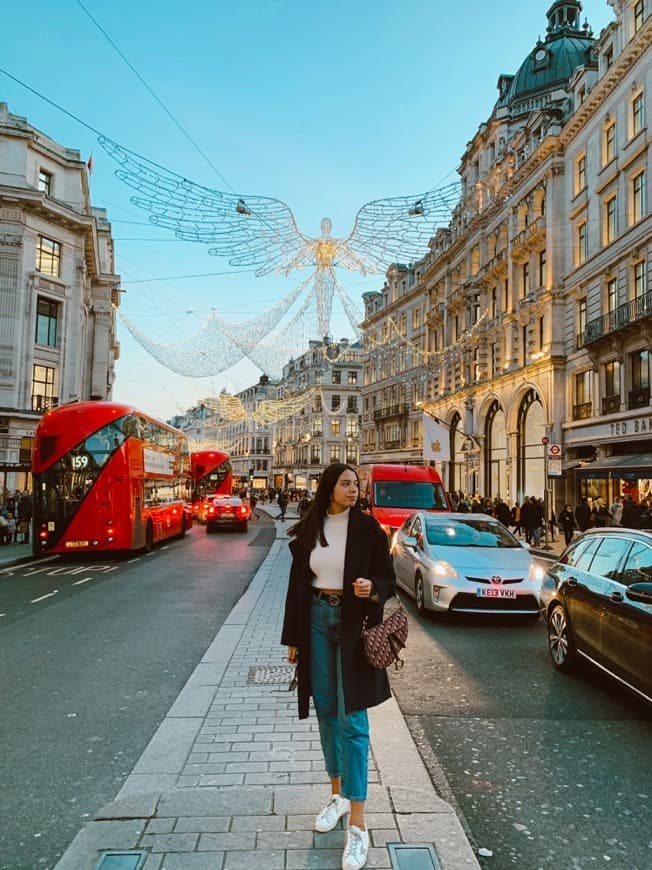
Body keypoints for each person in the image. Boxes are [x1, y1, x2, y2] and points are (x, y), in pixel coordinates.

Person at [282, 463, 395, 870]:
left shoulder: (368, 529)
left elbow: (388, 580)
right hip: (315, 620)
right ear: (329, 487)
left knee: (353, 719)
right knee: (327, 712)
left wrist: (372, 589)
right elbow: (298, 585)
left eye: (356, 484)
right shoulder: (312, 527)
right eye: (346, 483)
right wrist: (293, 638)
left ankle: (359, 825)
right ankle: (338, 795)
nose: (353, 489)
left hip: (351, 625)